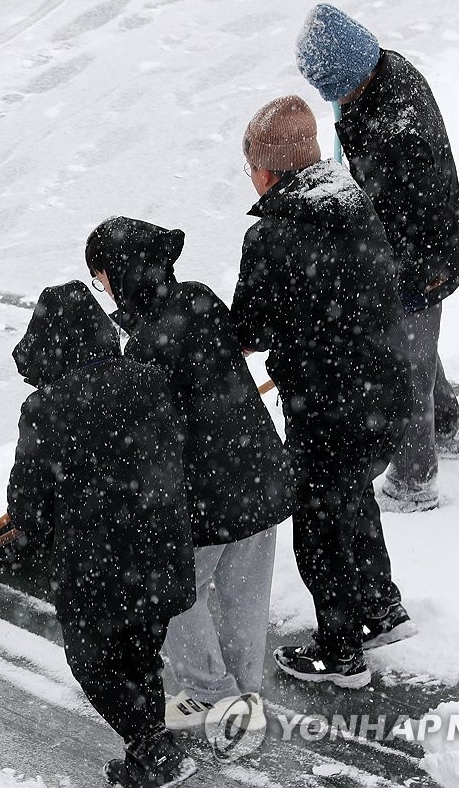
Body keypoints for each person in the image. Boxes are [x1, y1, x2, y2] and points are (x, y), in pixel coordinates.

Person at [231, 95, 415, 687]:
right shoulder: (354, 203)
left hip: (328, 407)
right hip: (386, 394)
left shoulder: (273, 238)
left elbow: (249, 330)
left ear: (270, 168)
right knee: (353, 496)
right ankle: (380, 609)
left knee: (318, 523)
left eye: (250, 165)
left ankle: (339, 655)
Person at [86, 217, 292, 738]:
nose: (102, 288)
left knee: (172, 592)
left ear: (119, 273)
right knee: (246, 591)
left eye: (101, 277)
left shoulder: (146, 350)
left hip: (209, 497)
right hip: (259, 476)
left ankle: (209, 693)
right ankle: (244, 692)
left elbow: (151, 441)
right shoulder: (197, 298)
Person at [7, 281, 198, 787]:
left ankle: (155, 748)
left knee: (92, 661)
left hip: (96, 565)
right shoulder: (150, 381)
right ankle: (149, 747)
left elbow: (27, 505)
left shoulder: (48, 408)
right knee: (141, 655)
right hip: (160, 548)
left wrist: (43, 539)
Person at [296, 3, 459, 513]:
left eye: (330, 89)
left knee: (403, 371)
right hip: (432, 249)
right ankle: (451, 432)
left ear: (347, 76)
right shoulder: (383, 69)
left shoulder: (390, 132)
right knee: (420, 351)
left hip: (420, 262)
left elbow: (377, 221)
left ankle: (414, 483)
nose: (328, 101)